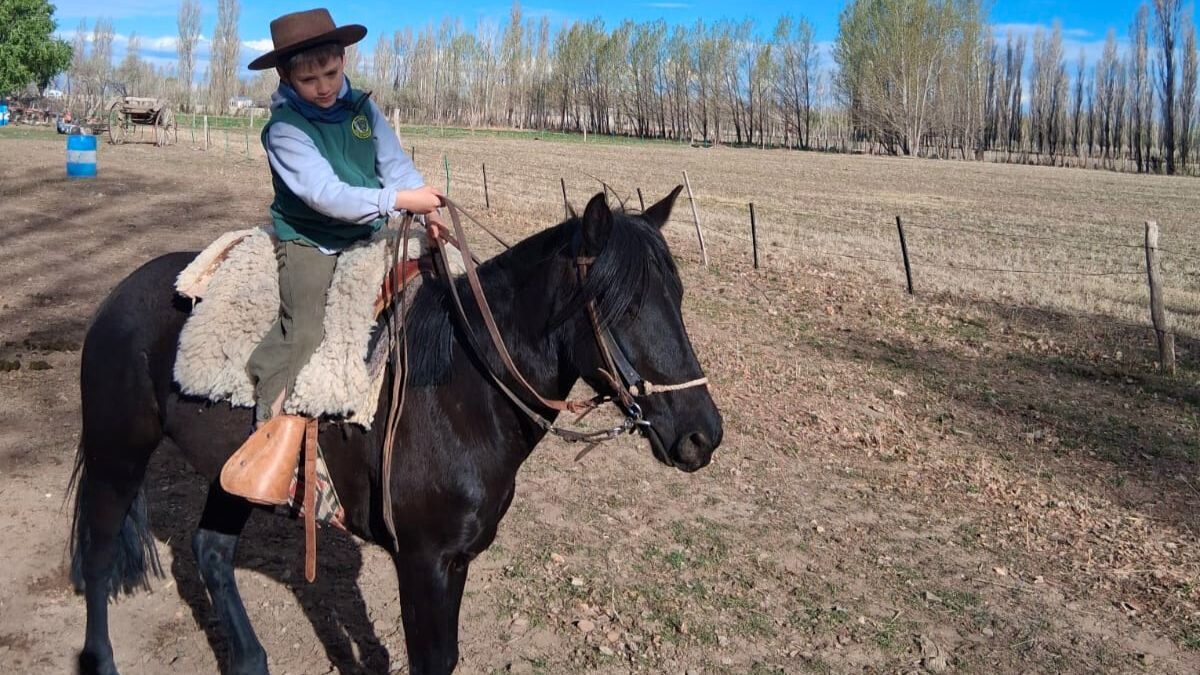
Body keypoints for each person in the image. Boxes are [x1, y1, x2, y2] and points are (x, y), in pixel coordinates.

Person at [228, 8, 441, 499]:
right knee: (304, 327)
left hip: (366, 230)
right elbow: (327, 195)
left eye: (330, 73)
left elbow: (396, 166)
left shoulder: (364, 110)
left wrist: (424, 200)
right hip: (311, 237)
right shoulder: (284, 129)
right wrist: (396, 201)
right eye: (308, 78)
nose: (323, 87)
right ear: (285, 76)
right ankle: (269, 426)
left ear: (344, 60)